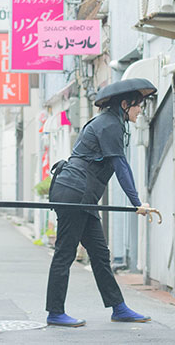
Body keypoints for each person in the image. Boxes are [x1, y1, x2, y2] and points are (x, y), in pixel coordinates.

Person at [45, 78, 157, 328]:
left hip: (82, 195)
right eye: (139, 106)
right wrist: (137, 203)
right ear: (125, 104)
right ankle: (55, 312)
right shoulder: (109, 125)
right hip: (74, 192)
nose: (141, 111)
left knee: (99, 253)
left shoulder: (111, 122)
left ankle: (118, 308)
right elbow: (121, 167)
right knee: (65, 252)